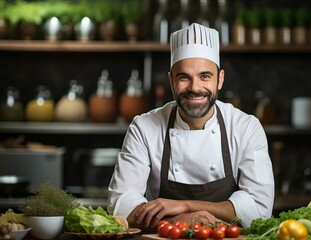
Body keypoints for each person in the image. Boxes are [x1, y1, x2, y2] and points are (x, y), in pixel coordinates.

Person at [107, 23, 274, 229]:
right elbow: (121, 205)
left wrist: (184, 206)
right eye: (184, 77)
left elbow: (259, 210)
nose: (195, 88)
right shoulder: (144, 128)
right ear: (171, 81)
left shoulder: (246, 128)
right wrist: (174, 221)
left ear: (220, 79)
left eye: (205, 76)